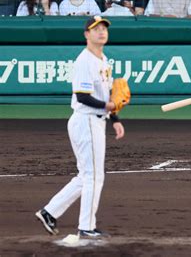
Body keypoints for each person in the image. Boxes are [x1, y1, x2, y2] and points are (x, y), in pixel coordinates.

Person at [35, 16, 126, 238]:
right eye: (96, 29)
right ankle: (86, 227)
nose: (101, 32)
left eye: (104, 28)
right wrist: (109, 105)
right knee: (94, 176)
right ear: (87, 34)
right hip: (86, 120)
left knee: (86, 176)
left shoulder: (103, 60)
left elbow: (105, 94)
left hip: (94, 121)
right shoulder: (85, 61)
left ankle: (49, 212)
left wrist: (115, 119)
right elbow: (83, 97)